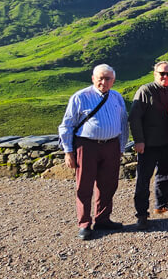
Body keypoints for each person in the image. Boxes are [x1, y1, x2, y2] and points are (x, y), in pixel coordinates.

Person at [58, 64, 129, 240]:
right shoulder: (80, 97)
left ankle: (103, 219)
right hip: (86, 146)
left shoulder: (117, 97)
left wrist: (120, 147)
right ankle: (84, 224)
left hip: (111, 145)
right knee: (84, 185)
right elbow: (66, 125)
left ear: (113, 80)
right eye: (100, 78)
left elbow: (123, 124)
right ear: (93, 78)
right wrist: (68, 151)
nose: (104, 82)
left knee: (109, 184)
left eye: (108, 79)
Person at [128, 61, 168, 230]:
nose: (165, 77)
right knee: (143, 179)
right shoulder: (145, 91)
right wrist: (139, 140)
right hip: (148, 144)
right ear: (155, 74)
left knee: (165, 176)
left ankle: (162, 204)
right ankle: (141, 214)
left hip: (167, 143)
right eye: (161, 73)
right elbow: (134, 118)